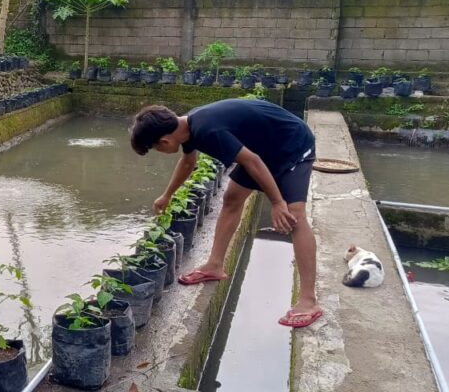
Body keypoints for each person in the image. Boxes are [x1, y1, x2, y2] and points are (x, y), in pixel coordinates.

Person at [129, 99, 323, 328]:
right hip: (263, 148)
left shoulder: (209, 129)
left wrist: (277, 202)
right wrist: (167, 195)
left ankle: (308, 300)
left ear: (164, 141)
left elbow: (252, 161)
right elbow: (188, 161)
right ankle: (214, 265)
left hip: (293, 143)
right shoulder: (187, 126)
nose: (160, 152)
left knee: (294, 214)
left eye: (155, 148)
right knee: (232, 199)